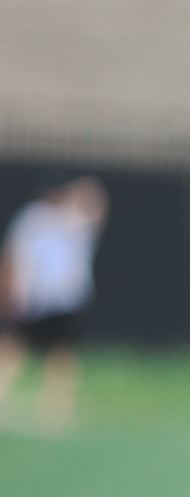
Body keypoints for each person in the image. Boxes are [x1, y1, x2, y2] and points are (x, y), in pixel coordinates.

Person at [0, 177, 106, 429]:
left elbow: (97, 207)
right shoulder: (33, 220)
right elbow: (16, 255)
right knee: (15, 349)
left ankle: (56, 409)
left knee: (60, 356)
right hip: (36, 298)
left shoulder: (75, 221)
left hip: (64, 300)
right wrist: (13, 291)